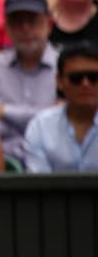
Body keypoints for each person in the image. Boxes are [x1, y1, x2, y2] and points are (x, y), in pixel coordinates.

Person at [0, 0, 59, 168]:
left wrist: (6, 112)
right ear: (6, 27)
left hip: (55, 163)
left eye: (32, 20)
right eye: (17, 22)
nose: (25, 28)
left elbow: (69, 118)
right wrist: (45, 113)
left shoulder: (67, 67)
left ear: (49, 25)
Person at [23, 40, 98, 172]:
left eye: (94, 77)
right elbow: (38, 185)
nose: (85, 84)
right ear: (59, 81)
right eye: (76, 78)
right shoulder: (40, 126)